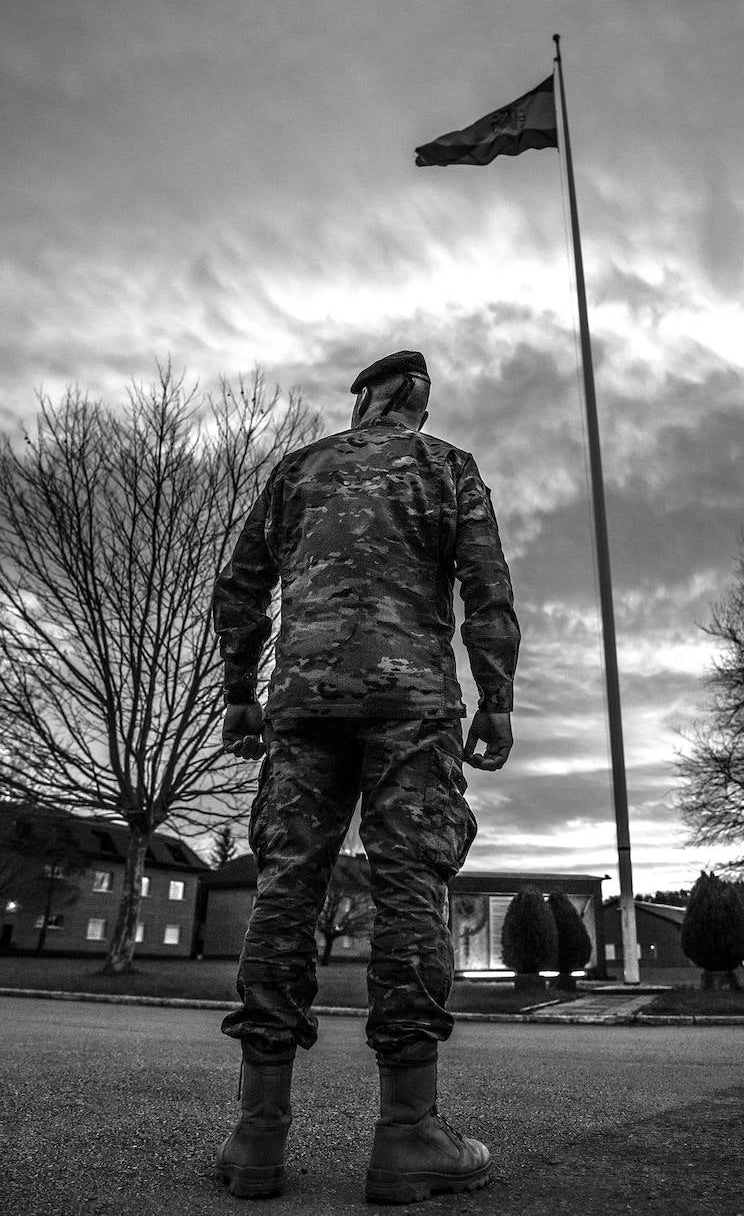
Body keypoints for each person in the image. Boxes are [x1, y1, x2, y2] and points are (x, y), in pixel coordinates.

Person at [211, 350, 520, 1204]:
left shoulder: (298, 470)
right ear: (414, 402)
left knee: (284, 889)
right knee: (409, 886)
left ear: (364, 400)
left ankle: (257, 1135)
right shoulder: (444, 466)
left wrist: (239, 694)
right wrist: (495, 696)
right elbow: (485, 586)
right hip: (410, 698)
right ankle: (408, 1133)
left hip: (304, 699)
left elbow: (239, 586)